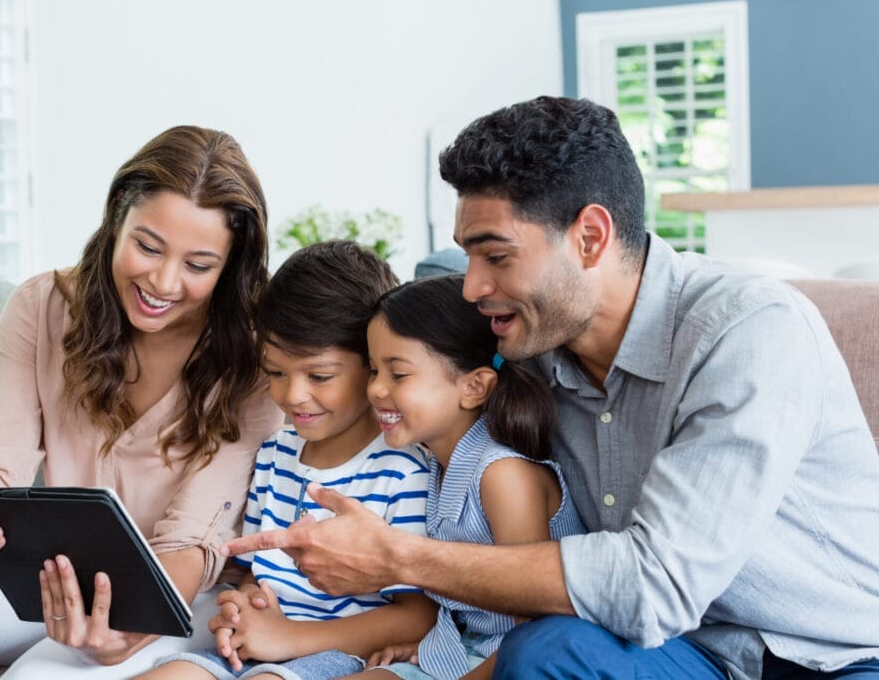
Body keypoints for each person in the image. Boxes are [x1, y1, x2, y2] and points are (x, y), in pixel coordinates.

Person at [221, 96, 879, 679]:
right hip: (688, 651)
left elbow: (657, 582)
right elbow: (420, 347)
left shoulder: (747, 331)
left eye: (497, 256)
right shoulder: (527, 346)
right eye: (469, 256)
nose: (474, 286)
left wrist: (397, 558)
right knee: (546, 651)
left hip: (828, 653)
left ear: (590, 237)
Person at [0, 125, 285, 679]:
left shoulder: (255, 355)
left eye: (198, 265)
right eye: (147, 246)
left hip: (182, 594)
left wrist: (126, 632)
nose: (162, 280)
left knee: (41, 674)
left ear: (229, 267)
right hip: (57, 574)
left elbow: (195, 542)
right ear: (116, 221)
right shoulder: (42, 306)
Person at [137, 240, 435, 680]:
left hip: (339, 653)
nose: (292, 396)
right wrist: (247, 602)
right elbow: (261, 574)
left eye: (319, 376)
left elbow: (417, 616)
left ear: (373, 367)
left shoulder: (404, 469)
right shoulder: (276, 454)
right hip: (259, 643)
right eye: (275, 372)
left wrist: (288, 639)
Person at [339, 274, 583, 680]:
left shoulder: (503, 475)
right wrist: (429, 647)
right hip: (464, 650)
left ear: (474, 387)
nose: (377, 390)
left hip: (519, 661)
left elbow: (533, 627)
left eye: (398, 375)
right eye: (373, 371)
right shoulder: (438, 462)